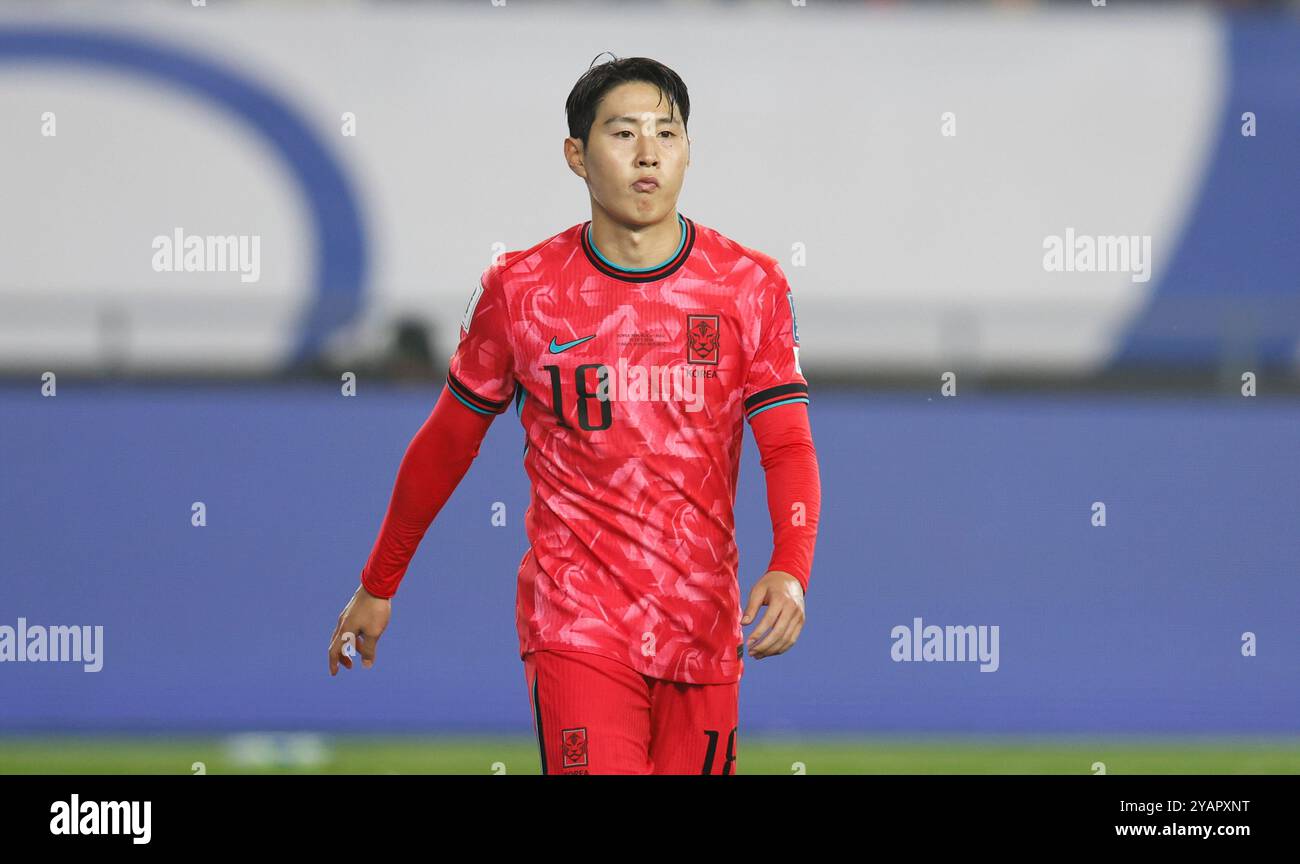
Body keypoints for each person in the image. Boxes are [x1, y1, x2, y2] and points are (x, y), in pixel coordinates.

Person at [328, 54, 821, 775]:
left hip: (704, 630)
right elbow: (447, 444)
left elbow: (787, 448)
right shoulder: (522, 291)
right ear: (576, 156)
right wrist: (379, 582)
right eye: (623, 133)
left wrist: (791, 569)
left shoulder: (749, 288)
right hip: (576, 624)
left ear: (689, 151)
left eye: (667, 133)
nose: (649, 152)